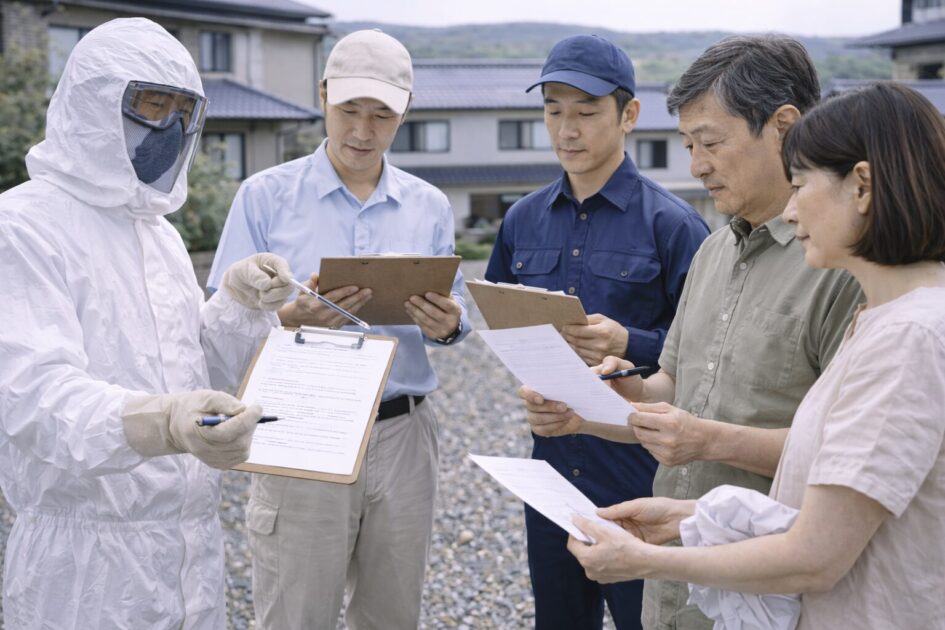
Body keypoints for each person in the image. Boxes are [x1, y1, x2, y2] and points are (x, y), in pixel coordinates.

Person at [566, 81, 945, 630]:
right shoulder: (886, 320)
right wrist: (688, 518)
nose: (790, 211)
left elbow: (814, 558)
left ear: (861, 186)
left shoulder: (909, 337)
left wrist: (645, 560)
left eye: (801, 185)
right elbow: (834, 511)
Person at [518, 36, 863, 629]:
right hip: (673, 579)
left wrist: (704, 440)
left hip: (772, 595)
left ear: (784, 127)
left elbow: (849, 457)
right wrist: (596, 408)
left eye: (710, 142)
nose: (696, 164)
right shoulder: (712, 253)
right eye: (687, 145)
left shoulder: (844, 271)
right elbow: (669, 391)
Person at [0, 18, 295, 630]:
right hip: (83, 568)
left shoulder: (156, 231)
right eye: (150, 104)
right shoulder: (22, 226)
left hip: (189, 553)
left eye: (183, 110)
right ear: (93, 103)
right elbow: (32, 398)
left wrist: (238, 304)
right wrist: (163, 422)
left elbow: (191, 374)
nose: (170, 127)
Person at [207, 29, 470, 630]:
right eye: (349, 109)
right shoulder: (264, 197)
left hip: (404, 430)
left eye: (381, 115)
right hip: (299, 423)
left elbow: (452, 310)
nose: (361, 130)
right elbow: (216, 324)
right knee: (296, 614)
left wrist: (448, 324)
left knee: (393, 615)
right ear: (322, 94)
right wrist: (283, 317)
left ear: (404, 115)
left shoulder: (428, 204)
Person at [486, 35, 709, 630]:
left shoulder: (674, 224)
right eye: (554, 110)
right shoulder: (521, 219)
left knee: (649, 619)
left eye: (586, 112)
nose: (567, 129)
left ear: (629, 114)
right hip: (552, 464)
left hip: (641, 469)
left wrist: (628, 342)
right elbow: (504, 327)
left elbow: (712, 354)